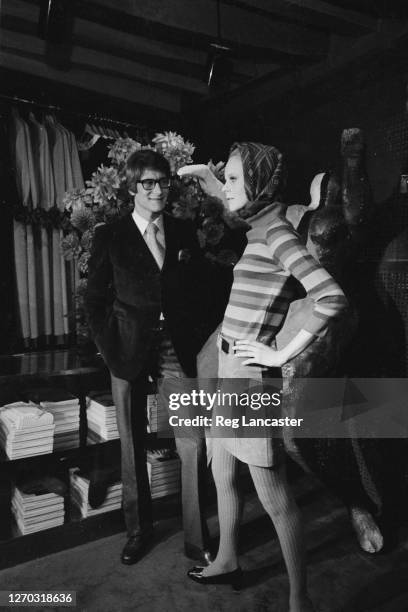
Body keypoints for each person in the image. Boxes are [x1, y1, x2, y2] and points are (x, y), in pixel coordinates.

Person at [179, 142, 348, 612]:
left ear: (256, 181)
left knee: (272, 493)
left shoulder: (277, 234)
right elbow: (237, 215)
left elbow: (331, 299)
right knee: (222, 471)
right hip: (225, 367)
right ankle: (228, 560)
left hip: (250, 378)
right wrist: (210, 183)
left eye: (234, 179)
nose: (227, 189)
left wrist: (279, 354)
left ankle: (300, 600)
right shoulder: (258, 227)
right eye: (227, 180)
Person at [85, 149, 212, 566]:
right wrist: (109, 347)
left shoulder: (183, 230)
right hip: (126, 349)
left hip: (174, 347)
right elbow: (95, 299)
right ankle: (139, 531)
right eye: (148, 184)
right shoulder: (111, 235)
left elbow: (196, 291)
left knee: (191, 440)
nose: (158, 190)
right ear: (131, 187)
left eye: (163, 182)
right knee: (131, 443)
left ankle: (197, 538)